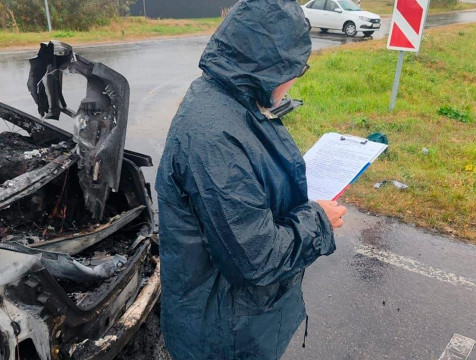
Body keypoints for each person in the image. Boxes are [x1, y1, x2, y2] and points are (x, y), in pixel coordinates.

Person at [155, 0, 347, 359]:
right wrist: (319, 220)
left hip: (243, 319)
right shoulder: (212, 139)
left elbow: (249, 180)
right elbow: (256, 258)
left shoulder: (233, 97)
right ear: (267, 67)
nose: (292, 82)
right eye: (293, 70)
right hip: (222, 334)